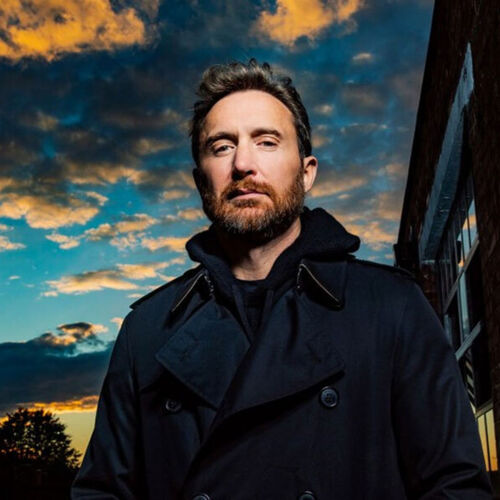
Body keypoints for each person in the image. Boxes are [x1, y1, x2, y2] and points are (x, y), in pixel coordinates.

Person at [71, 59, 492, 499]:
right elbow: (101, 493)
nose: (243, 164)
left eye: (267, 142)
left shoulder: (393, 307)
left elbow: (455, 488)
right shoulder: (146, 331)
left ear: (306, 172)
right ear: (200, 183)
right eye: (221, 147)